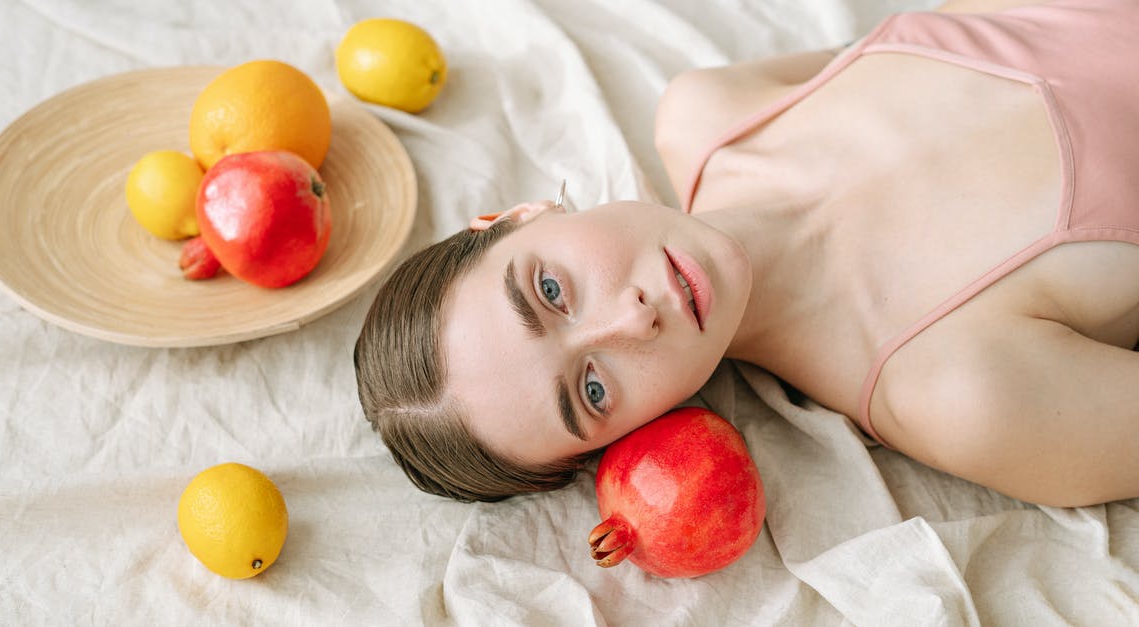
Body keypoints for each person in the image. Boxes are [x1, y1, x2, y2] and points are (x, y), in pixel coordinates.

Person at [354, 0, 1139, 506]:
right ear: (629, 439)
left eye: (552, 290)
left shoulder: (708, 111)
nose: (629, 319)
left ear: (521, 214)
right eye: (592, 389)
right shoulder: (962, 394)